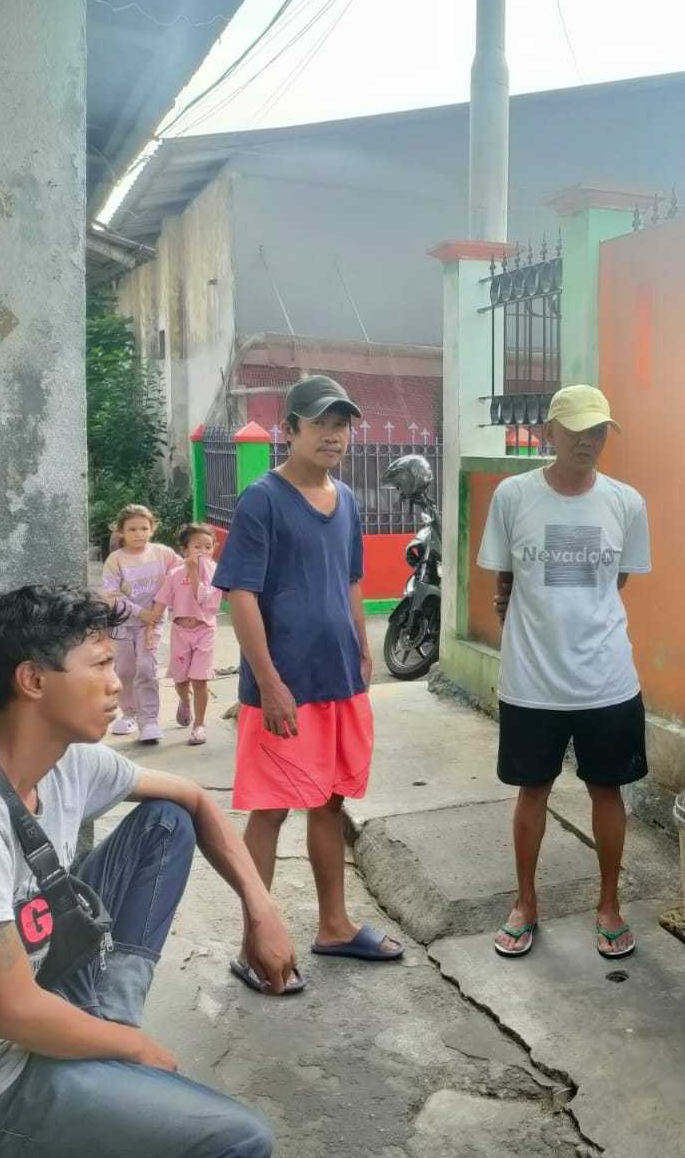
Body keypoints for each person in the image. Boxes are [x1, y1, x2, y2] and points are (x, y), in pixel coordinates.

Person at [0, 584, 297, 1157]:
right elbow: (12, 1013)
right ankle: (109, 1040)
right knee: (240, 1140)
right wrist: (132, 1048)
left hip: (36, 993)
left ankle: (102, 1016)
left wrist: (260, 910)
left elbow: (193, 797)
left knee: (166, 818)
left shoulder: (70, 765)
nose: (118, 683)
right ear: (34, 681)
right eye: (100, 664)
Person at [213, 374, 403, 988]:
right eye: (320, 422)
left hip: (339, 678)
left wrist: (364, 650)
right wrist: (268, 682)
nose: (334, 434)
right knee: (269, 811)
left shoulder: (345, 499)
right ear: (289, 429)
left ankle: (335, 927)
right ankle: (253, 946)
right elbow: (239, 595)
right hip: (284, 685)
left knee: (329, 802)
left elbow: (351, 580)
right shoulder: (262, 500)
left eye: (342, 424)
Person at [476, 384, 653, 959]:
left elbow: (616, 582)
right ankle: (525, 903)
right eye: (576, 429)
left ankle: (609, 904)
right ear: (548, 433)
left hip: (606, 678)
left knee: (608, 789)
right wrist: (518, 608)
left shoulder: (626, 502)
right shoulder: (513, 496)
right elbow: (503, 577)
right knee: (534, 789)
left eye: (599, 429)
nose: (589, 440)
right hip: (532, 681)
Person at [99, 504, 179, 745]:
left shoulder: (163, 554)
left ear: (152, 529)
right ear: (121, 531)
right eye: (132, 529)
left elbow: (179, 576)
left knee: (146, 668)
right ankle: (129, 713)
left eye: (144, 528)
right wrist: (139, 611)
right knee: (124, 670)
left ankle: (149, 721)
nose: (139, 533)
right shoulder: (115, 560)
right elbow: (110, 594)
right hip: (123, 623)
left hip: (151, 624)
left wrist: (159, 607)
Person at [155, 522, 222, 745]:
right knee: (181, 679)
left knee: (199, 679)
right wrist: (149, 627)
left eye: (208, 547)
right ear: (185, 550)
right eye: (197, 547)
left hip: (205, 630)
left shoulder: (216, 574)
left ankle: (199, 725)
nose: (203, 552)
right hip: (180, 632)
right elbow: (162, 600)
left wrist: (195, 572)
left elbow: (204, 599)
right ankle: (184, 700)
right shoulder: (174, 574)